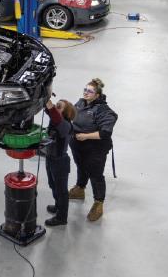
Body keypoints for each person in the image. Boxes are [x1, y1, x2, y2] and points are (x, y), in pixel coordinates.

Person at [68, 78, 118, 222]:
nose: (86, 93)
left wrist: (86, 136)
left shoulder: (104, 111)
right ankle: (79, 189)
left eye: (90, 91)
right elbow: (71, 115)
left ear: (97, 95)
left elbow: (105, 133)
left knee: (95, 175)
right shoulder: (81, 103)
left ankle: (98, 203)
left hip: (95, 149)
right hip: (78, 145)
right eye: (85, 89)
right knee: (81, 167)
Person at [44, 98, 76, 227]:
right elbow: (49, 110)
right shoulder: (55, 122)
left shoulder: (65, 125)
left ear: (65, 113)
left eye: (59, 106)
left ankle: (62, 218)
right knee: (53, 185)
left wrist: (48, 99)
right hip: (50, 159)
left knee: (62, 191)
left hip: (60, 162)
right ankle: (58, 206)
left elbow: (53, 113)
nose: (56, 107)